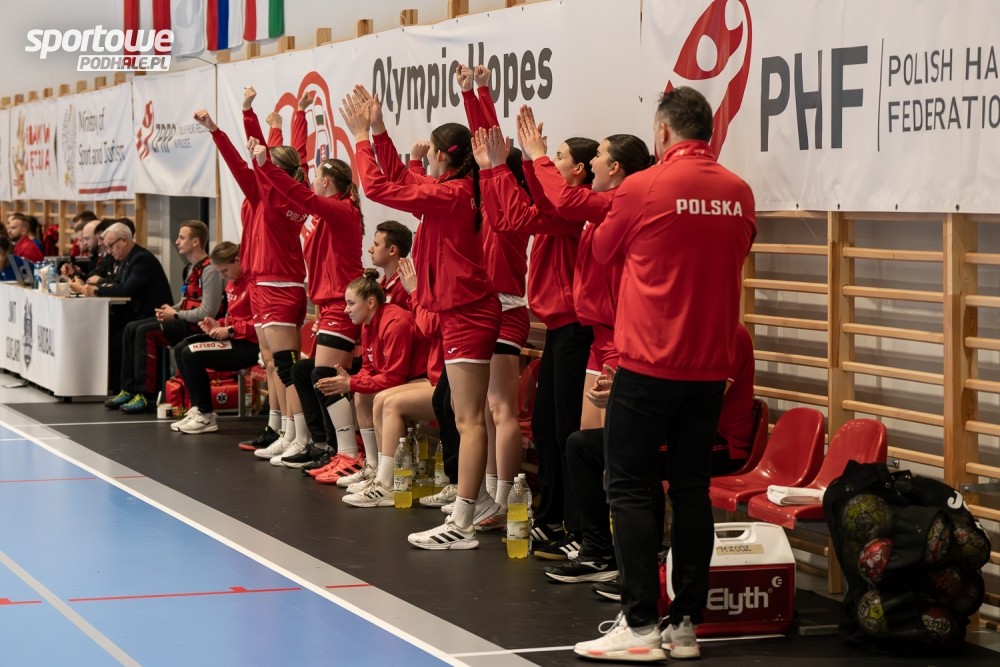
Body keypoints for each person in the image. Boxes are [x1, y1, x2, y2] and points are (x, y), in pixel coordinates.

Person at [573, 87, 756, 662]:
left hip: (649, 362)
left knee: (628, 486)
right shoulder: (739, 191)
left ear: (662, 133)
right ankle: (685, 626)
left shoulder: (643, 186)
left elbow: (601, 251)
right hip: (709, 368)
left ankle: (640, 624)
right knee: (692, 490)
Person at [341, 84, 501, 549]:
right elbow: (402, 184)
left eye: (429, 152)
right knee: (466, 415)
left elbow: (380, 187)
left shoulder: (453, 195)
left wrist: (360, 138)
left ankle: (465, 522)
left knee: (469, 419)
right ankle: (479, 502)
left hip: (468, 315)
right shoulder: (451, 191)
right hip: (459, 313)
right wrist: (378, 131)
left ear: (443, 158)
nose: (423, 158)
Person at [545, 323, 755, 588]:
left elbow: (701, 404)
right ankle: (599, 554)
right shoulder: (681, 332)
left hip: (720, 442)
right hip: (678, 430)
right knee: (581, 445)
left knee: (640, 454)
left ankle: (645, 567)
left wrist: (629, 398)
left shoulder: (729, 335)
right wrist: (620, 391)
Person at [254, 146, 365, 471]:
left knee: (324, 376)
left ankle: (347, 453)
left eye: (316, 176)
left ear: (327, 181)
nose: (310, 180)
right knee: (304, 372)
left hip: (341, 304)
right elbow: (296, 189)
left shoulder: (341, 209)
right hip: (328, 304)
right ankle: (323, 445)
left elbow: (298, 192)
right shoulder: (324, 213)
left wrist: (264, 165)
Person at [310, 270, 428, 505]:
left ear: (371, 302)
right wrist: (353, 381)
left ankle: (387, 482)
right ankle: (373, 467)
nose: (346, 309)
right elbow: (368, 368)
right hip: (402, 380)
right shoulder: (367, 324)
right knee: (362, 396)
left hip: (422, 380)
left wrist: (352, 382)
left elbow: (394, 377)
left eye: (351, 303)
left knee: (382, 398)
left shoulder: (395, 323)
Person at [103, 220, 224, 414]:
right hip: (184, 319)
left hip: (197, 326)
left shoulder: (210, 270)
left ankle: (147, 395)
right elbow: (186, 301)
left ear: (195, 242)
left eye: (182, 237)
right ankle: (128, 389)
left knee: (145, 332)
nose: (177, 241)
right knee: (131, 327)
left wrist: (175, 314)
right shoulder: (192, 268)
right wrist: (169, 309)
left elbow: (207, 312)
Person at [69, 222, 173, 394]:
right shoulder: (126, 259)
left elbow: (125, 290)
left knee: (123, 333)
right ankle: (123, 388)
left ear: (124, 240)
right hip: (135, 313)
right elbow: (117, 284)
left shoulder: (141, 259)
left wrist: (96, 290)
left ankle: (137, 391)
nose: (109, 251)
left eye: (110, 246)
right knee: (110, 330)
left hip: (152, 314)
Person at [171, 242, 260, 434]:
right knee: (180, 348)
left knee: (190, 354)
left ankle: (206, 415)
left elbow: (262, 323)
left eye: (225, 271)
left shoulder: (254, 284)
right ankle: (197, 407)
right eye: (219, 272)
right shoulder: (232, 284)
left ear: (238, 260)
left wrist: (230, 330)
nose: (223, 276)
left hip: (252, 346)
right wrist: (218, 324)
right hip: (235, 338)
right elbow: (233, 318)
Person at [371, 220, 413, 309]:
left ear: (392, 250)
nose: (370, 250)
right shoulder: (383, 283)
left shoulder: (404, 287)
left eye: (376, 245)